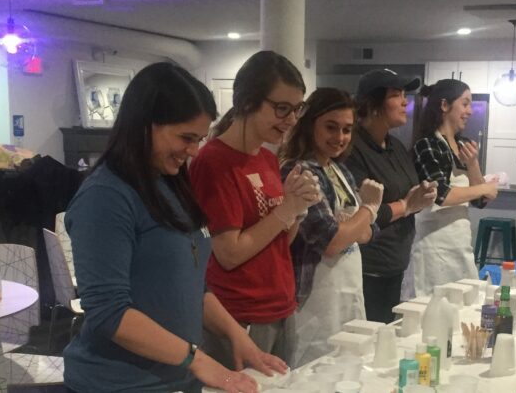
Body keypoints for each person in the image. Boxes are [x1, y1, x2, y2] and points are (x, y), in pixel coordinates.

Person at [63, 62, 283, 393]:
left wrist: (237, 335)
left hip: (175, 378)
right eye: (185, 137)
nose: (194, 150)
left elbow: (193, 284)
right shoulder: (105, 195)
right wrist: (200, 360)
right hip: (119, 384)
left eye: (199, 139)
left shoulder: (170, 183)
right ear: (144, 125)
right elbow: (110, 312)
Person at [190, 51, 322, 369]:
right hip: (240, 313)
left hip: (279, 305)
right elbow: (229, 253)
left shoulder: (265, 157)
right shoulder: (214, 163)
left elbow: (279, 243)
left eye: (296, 109)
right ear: (248, 102)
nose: (291, 119)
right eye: (282, 108)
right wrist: (286, 208)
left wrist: (297, 208)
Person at [278, 87, 384, 367]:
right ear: (310, 124)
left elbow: (368, 233)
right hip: (314, 303)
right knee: (314, 373)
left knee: (348, 368)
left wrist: (356, 225)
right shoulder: (299, 172)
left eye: (347, 130)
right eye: (331, 127)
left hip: (347, 290)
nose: (340, 138)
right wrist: (369, 208)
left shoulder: (340, 170)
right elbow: (331, 242)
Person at [344, 69, 437, 323]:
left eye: (405, 94)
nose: (405, 101)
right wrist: (406, 206)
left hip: (397, 264)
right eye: (396, 95)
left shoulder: (395, 146)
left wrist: (421, 196)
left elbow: (408, 197)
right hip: (368, 267)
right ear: (373, 105)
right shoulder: (352, 148)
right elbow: (364, 213)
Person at [409, 79, 499, 297]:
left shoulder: (463, 145)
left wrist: (473, 165)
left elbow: (479, 201)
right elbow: (441, 194)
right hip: (433, 246)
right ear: (444, 106)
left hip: (459, 243)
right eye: (465, 104)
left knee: (463, 305)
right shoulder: (427, 145)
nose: (469, 111)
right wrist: (485, 187)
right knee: (431, 310)